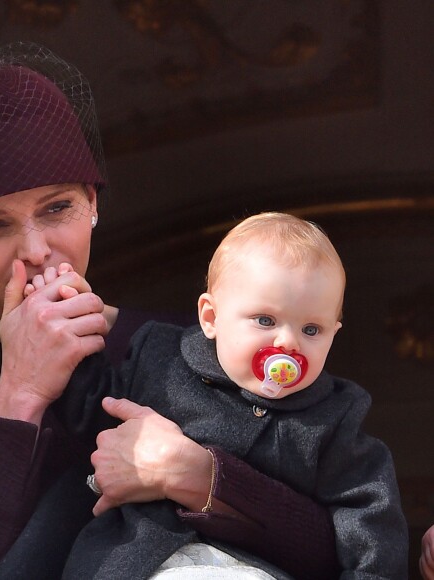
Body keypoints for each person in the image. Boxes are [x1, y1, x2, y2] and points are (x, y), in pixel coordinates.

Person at [0, 43, 339, 580]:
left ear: (93, 201)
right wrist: (20, 393)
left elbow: (334, 549)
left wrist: (196, 474)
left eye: (57, 207)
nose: (36, 249)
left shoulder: (204, 344)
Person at [37, 212, 409, 579]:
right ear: (211, 318)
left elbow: (371, 527)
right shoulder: (161, 359)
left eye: (312, 329)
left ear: (334, 333)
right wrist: (64, 326)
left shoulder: (335, 417)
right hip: (138, 559)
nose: (288, 342)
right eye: (265, 320)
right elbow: (91, 407)